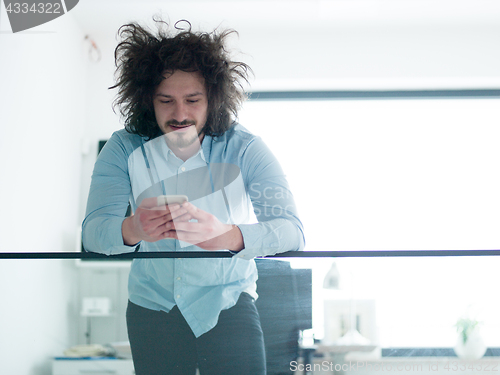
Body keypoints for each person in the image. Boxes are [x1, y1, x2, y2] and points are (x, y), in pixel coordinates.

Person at [82, 19, 305, 375]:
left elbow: (293, 230)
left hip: (228, 305)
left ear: (213, 99)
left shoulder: (246, 148)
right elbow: (93, 233)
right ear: (145, 100)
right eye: (166, 101)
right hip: (152, 309)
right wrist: (133, 228)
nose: (180, 114)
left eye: (193, 100)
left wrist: (228, 236)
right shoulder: (121, 148)